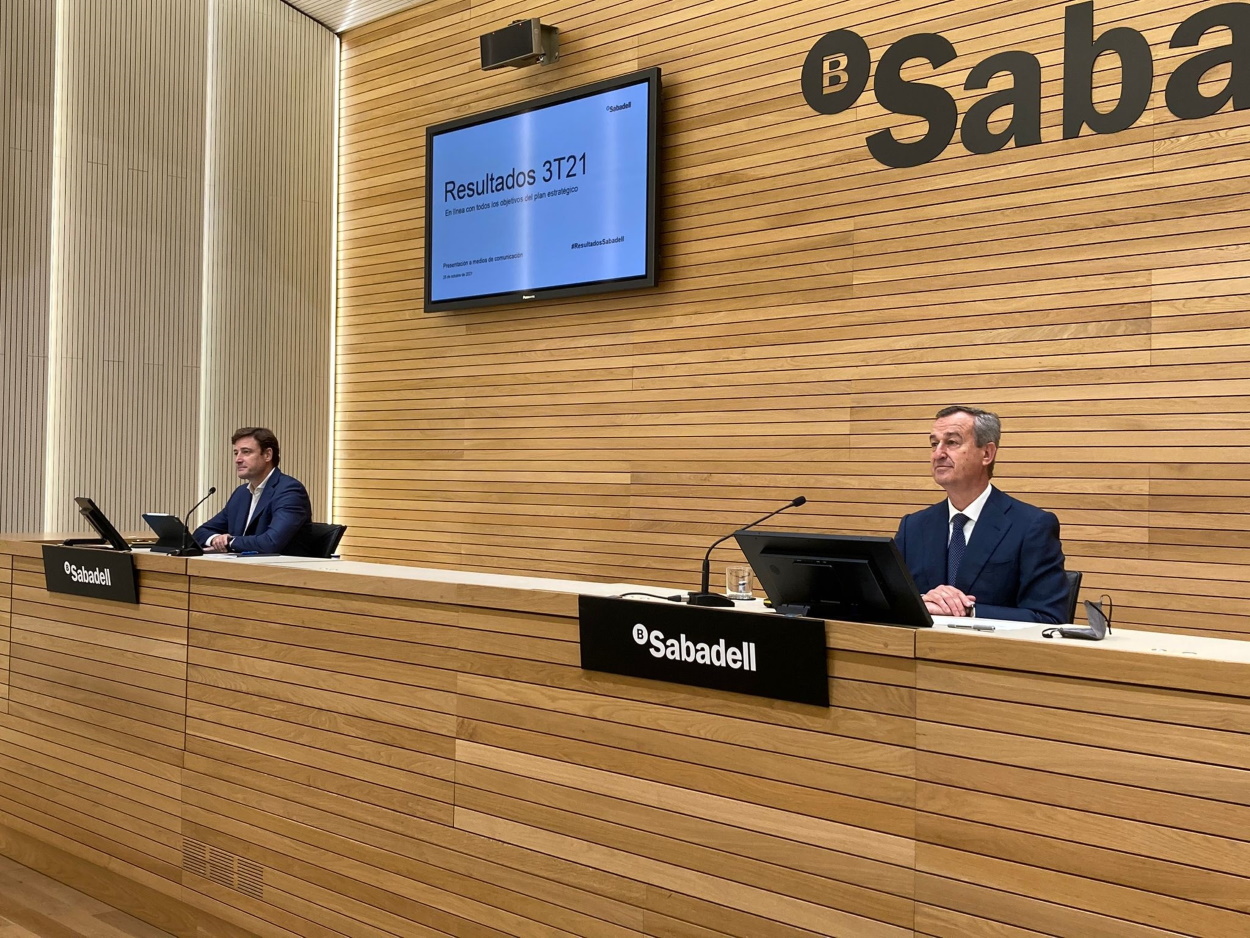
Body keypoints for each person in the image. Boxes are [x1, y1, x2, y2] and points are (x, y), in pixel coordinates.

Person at [894, 405, 1068, 623]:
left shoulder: (1032, 526)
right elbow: (888, 599)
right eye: (933, 444)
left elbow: (1049, 617)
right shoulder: (914, 526)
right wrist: (921, 601)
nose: (938, 454)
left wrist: (968, 611)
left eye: (951, 442)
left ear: (987, 454)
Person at [193, 427, 311, 554]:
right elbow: (200, 532)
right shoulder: (241, 493)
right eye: (236, 453)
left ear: (267, 455)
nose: (238, 459)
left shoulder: (289, 491)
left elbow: (271, 542)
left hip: (281, 570)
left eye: (246, 452)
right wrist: (215, 539)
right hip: (241, 569)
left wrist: (230, 542)